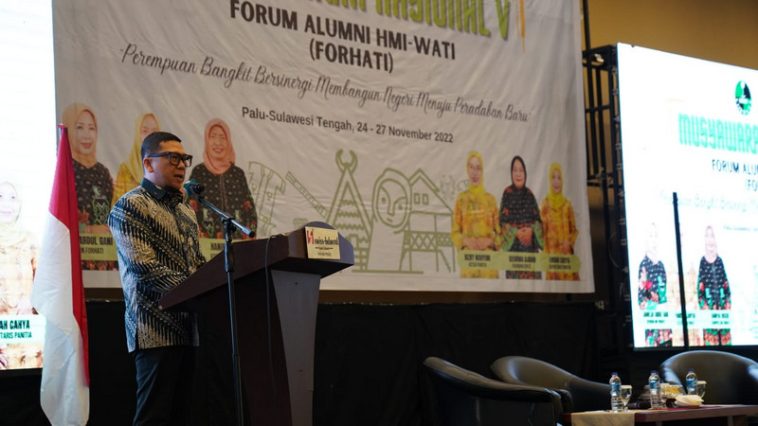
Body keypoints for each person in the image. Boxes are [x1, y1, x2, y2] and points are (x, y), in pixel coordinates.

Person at [108, 131, 205, 425]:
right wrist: (194, 291)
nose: (181, 166)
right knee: (154, 418)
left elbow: (196, 264)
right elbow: (144, 268)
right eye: (172, 158)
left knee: (182, 416)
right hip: (154, 330)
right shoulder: (130, 205)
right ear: (148, 164)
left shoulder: (186, 212)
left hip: (189, 328)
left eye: (184, 159)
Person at [61, 102, 116, 271]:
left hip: (105, 260)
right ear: (68, 130)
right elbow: (59, 221)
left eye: (91, 128)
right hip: (72, 260)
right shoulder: (64, 170)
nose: (87, 135)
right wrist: (89, 229)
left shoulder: (103, 172)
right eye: (79, 127)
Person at [189, 118, 257, 239]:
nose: (218, 142)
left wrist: (248, 238)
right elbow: (189, 208)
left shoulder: (237, 173)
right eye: (213, 136)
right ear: (206, 140)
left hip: (237, 246)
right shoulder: (199, 172)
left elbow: (250, 210)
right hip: (206, 248)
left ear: (228, 141)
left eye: (222, 137)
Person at [451, 151, 500, 278]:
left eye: (478, 168)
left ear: (483, 171)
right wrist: (465, 241)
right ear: (467, 169)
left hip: (489, 269)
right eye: (471, 167)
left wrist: (489, 242)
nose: (474, 172)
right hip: (469, 268)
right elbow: (455, 232)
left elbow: (502, 236)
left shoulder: (491, 200)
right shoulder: (461, 200)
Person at [500, 155, 542, 279]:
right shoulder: (507, 194)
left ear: (525, 173)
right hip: (514, 258)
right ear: (511, 173)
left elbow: (539, 221)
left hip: (531, 258)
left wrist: (531, 231)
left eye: (521, 170)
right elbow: (502, 222)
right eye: (515, 170)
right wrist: (516, 233)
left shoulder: (530, 195)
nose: (518, 174)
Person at [0, 181, 37, 315]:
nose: (6, 204)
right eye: (0, 197)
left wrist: (31, 300)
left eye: (13, 198)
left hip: (24, 326)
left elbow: (45, 281)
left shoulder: (30, 240)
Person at [539, 162, 579, 280]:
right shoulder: (544, 205)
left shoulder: (567, 205)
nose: (556, 181)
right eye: (553, 177)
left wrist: (570, 242)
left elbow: (574, 231)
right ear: (549, 181)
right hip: (552, 264)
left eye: (559, 178)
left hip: (567, 263)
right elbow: (540, 235)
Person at [112, 113, 161, 204]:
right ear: (137, 134)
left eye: (154, 131)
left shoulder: (165, 169)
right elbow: (117, 208)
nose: (150, 136)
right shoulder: (126, 170)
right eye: (145, 131)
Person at [697, 225, 731, 345]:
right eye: (707, 236)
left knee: (728, 354)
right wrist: (707, 311)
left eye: (712, 236)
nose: (710, 239)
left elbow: (727, 290)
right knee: (710, 354)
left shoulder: (720, 261)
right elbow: (700, 294)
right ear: (705, 240)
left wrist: (726, 309)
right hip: (709, 317)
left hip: (723, 316)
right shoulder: (702, 262)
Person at [638, 223, 667, 309]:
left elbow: (665, 295)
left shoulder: (661, 265)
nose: (654, 239)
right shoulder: (643, 265)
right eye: (651, 236)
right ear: (646, 240)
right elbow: (641, 301)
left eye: (655, 236)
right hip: (652, 317)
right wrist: (652, 301)